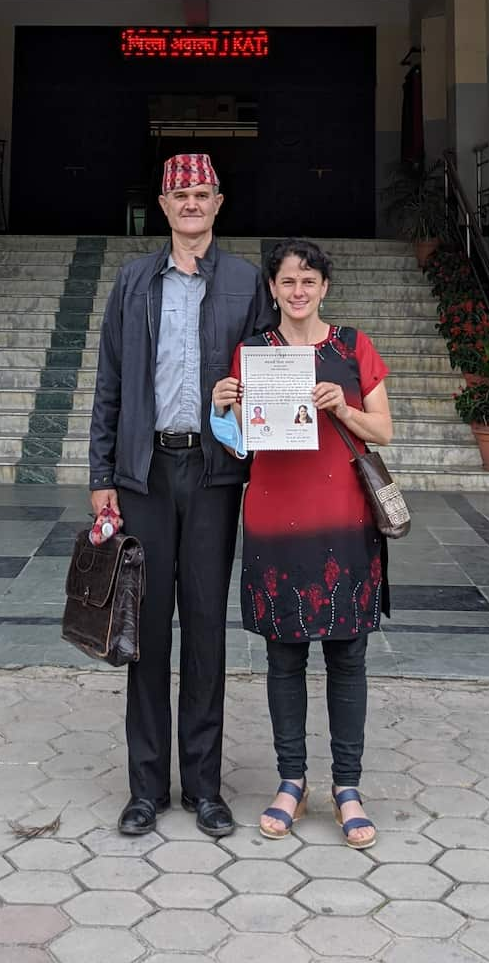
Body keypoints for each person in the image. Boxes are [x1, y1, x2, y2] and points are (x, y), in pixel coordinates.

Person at [89, 153, 273, 839]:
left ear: (220, 203)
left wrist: (248, 401)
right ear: (163, 207)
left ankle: (204, 787)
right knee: (144, 631)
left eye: (202, 193)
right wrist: (101, 476)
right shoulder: (134, 282)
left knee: (203, 628)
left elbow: (268, 369)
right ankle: (146, 789)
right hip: (145, 474)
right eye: (180, 195)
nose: (192, 204)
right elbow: (109, 383)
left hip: (213, 471)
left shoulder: (246, 283)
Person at [210, 238, 393, 849]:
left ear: (324, 288)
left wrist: (342, 406)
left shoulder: (353, 348)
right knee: (284, 658)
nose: (297, 292)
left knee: (347, 656)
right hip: (272, 519)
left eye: (308, 281)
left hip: (344, 522)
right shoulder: (253, 353)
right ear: (272, 290)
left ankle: (347, 787)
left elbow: (384, 432)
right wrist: (221, 405)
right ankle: (291, 780)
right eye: (287, 282)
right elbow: (237, 442)